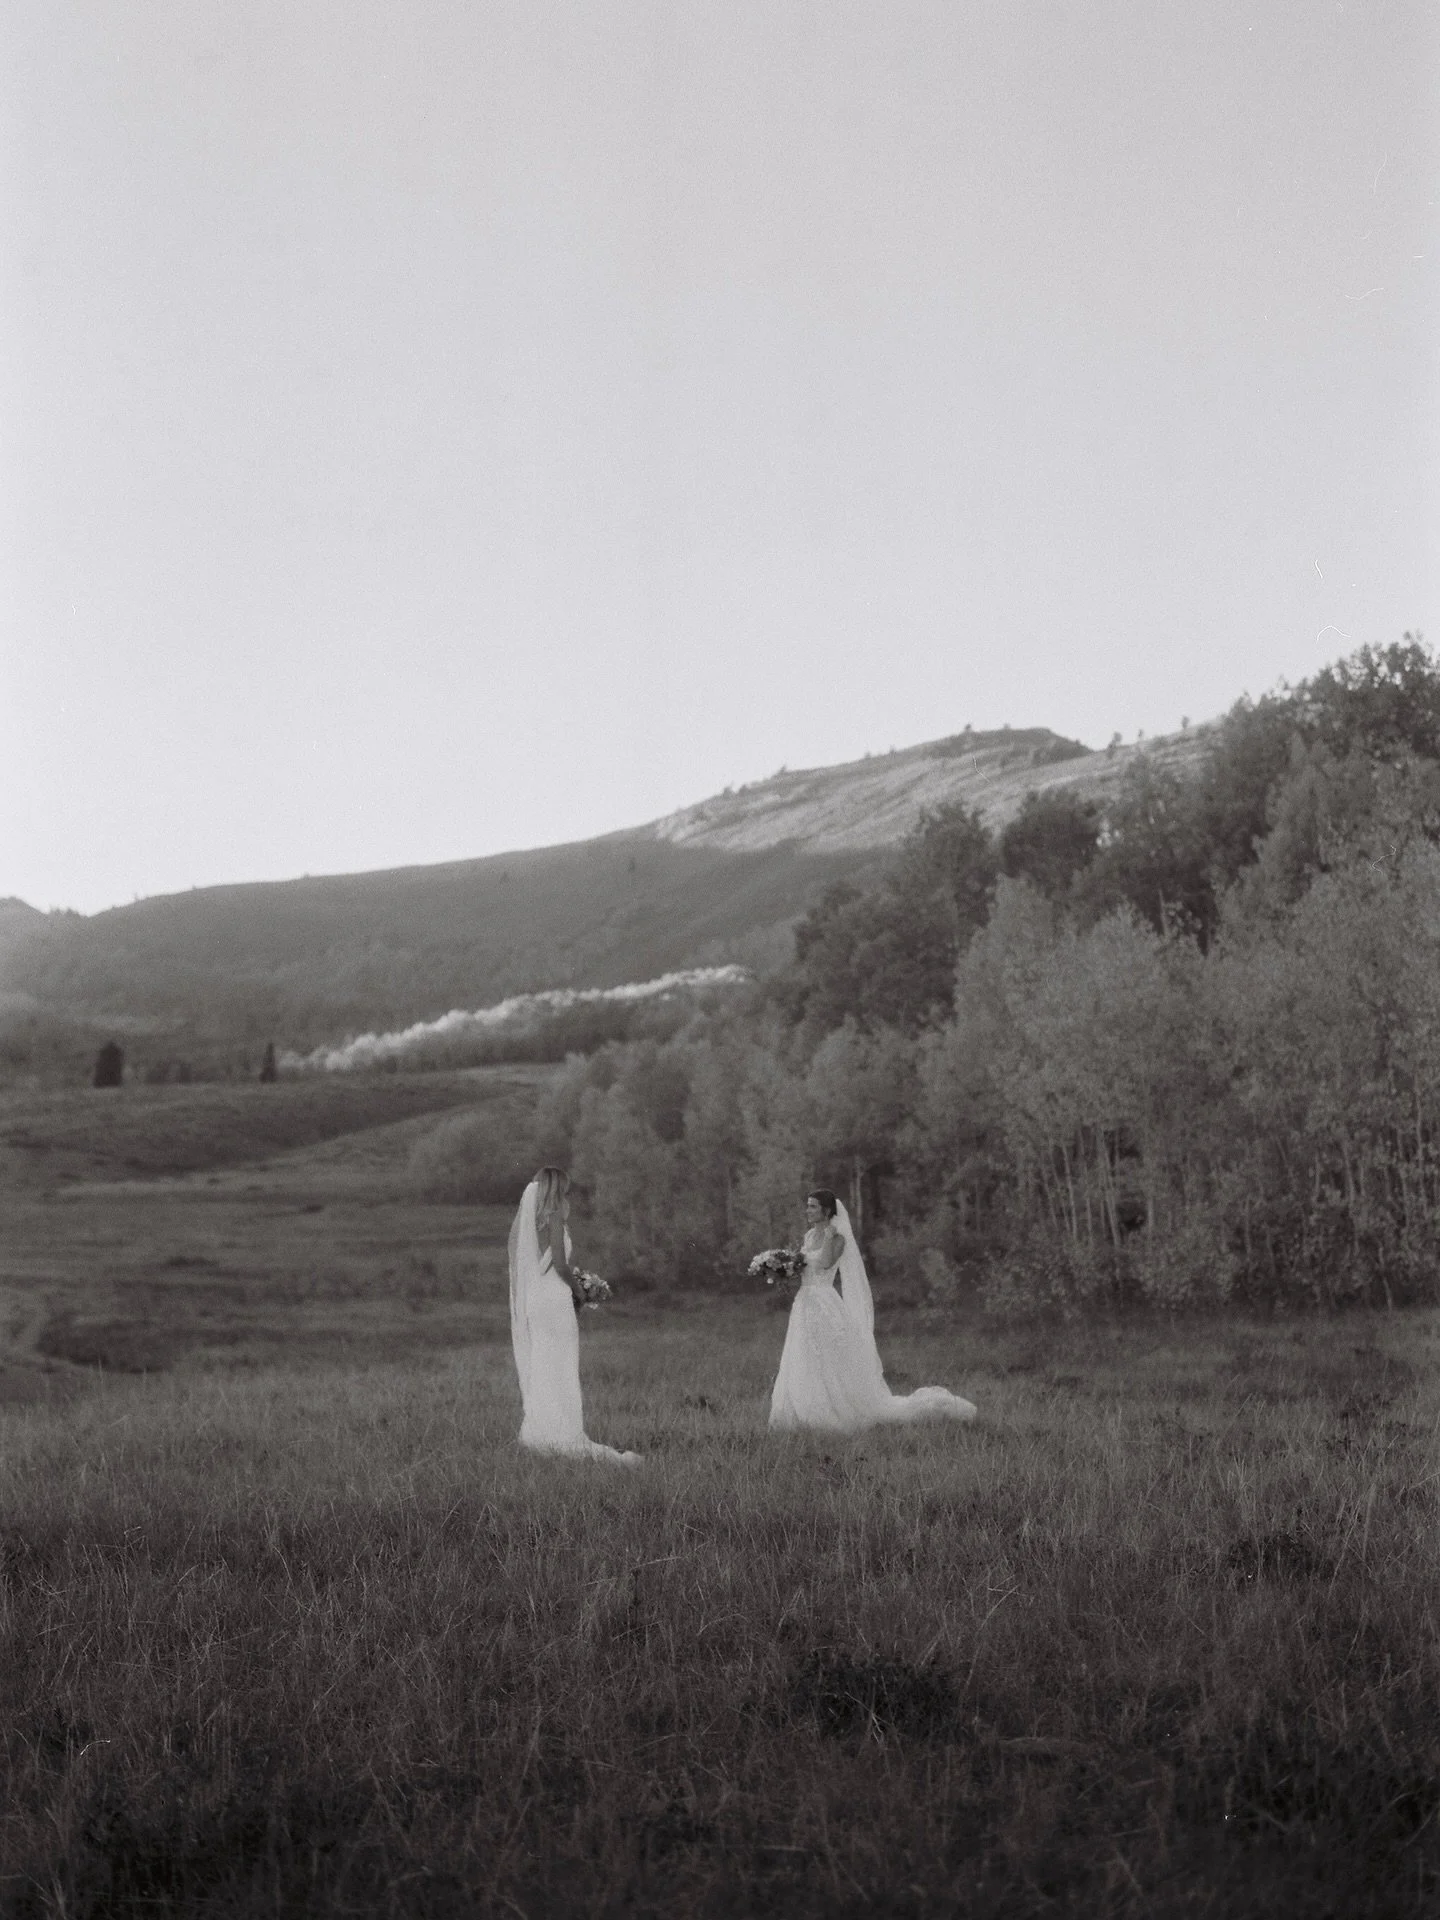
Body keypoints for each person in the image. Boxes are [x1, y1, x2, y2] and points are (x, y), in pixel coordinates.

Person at [768, 1189, 977, 1433]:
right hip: (803, 1302)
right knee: (801, 1354)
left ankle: (828, 1414)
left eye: (813, 1206)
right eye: (808, 1206)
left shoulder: (837, 1238)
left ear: (827, 1210)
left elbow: (825, 1263)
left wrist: (828, 1237)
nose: (808, 1210)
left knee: (825, 1357)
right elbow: (804, 1268)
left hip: (824, 1302)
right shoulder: (808, 1236)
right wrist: (782, 1268)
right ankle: (798, 1414)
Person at [507, 1167, 641, 1465]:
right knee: (562, 1361)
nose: (568, 1198)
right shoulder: (554, 1216)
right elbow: (558, 1263)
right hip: (554, 1298)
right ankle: (563, 1432)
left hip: (537, 1299)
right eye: (565, 1191)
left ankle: (542, 1430)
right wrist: (579, 1291)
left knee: (545, 1361)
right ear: (557, 1190)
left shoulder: (535, 1222)